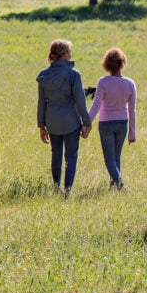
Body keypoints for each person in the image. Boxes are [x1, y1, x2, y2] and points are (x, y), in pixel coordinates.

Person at [37, 39, 91, 194]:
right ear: (64, 54)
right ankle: (68, 189)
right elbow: (80, 101)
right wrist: (87, 122)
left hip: (52, 122)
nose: (70, 55)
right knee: (71, 156)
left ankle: (56, 186)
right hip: (71, 122)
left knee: (56, 154)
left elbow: (41, 103)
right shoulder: (73, 74)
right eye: (69, 52)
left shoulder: (44, 76)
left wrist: (41, 125)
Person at [87, 47, 137, 189]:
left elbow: (96, 106)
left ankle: (120, 185)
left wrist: (86, 124)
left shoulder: (103, 82)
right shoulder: (130, 84)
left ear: (106, 64)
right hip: (123, 124)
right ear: (122, 63)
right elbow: (132, 110)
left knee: (109, 160)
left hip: (106, 124)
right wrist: (132, 132)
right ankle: (114, 185)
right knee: (116, 157)